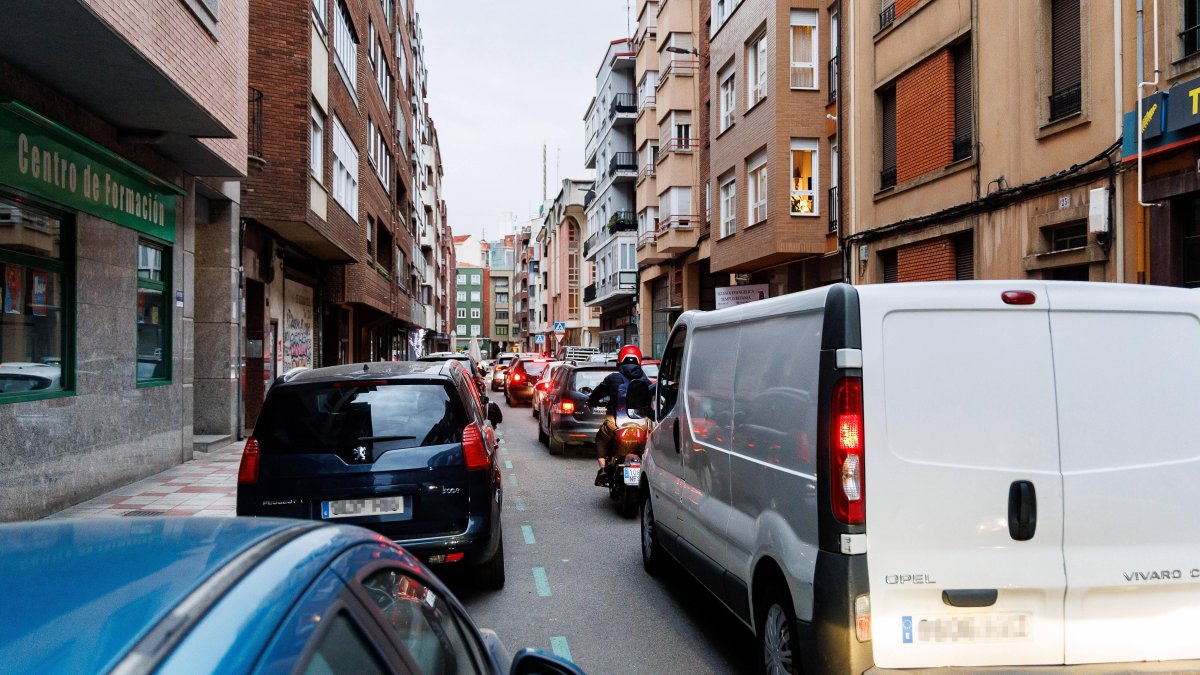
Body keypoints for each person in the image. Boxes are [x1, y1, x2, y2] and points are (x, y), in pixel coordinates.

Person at [587, 345, 652, 485]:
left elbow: (596, 394)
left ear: (619, 361)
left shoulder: (613, 378)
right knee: (648, 446)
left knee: (601, 439)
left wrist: (591, 402)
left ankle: (603, 469)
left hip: (616, 423)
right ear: (639, 361)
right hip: (641, 424)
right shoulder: (646, 381)